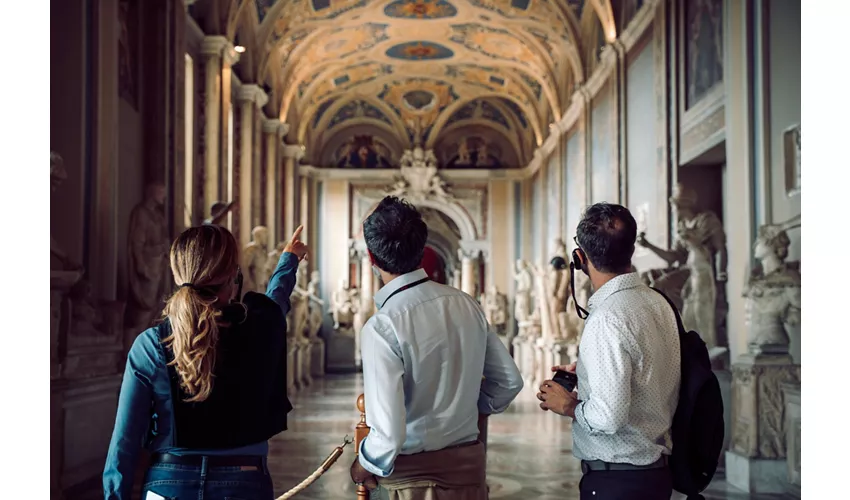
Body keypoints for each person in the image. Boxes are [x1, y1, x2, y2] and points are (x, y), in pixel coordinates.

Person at [103, 224, 309, 500]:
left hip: (168, 483)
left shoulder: (152, 344)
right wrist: (289, 261)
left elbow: (124, 442)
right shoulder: (260, 327)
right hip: (244, 482)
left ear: (177, 274)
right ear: (231, 277)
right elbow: (275, 304)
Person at [349, 196, 523, 499]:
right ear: (421, 249)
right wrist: (463, 409)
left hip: (413, 481)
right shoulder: (466, 305)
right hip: (468, 471)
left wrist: (362, 466)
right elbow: (509, 382)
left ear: (371, 258)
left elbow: (388, 437)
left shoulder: (383, 326)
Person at [536, 203, 681, 500]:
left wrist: (567, 405)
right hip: (656, 473)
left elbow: (607, 418)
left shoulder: (607, 317)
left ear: (580, 258)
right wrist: (591, 370)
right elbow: (648, 366)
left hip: (618, 479)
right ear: (630, 249)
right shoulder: (659, 303)